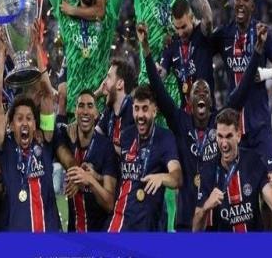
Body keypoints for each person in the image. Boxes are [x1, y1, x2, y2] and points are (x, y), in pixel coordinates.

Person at [140, 21, 269, 231]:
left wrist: (258, 51)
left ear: (210, 101)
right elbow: (158, 88)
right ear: (190, 102)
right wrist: (145, 48)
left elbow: (244, 87)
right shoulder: (180, 121)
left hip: (214, 219)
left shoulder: (220, 121)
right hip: (186, 218)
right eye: (196, 92)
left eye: (205, 92)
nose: (201, 94)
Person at [0, 27, 76, 231]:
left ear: (35, 123)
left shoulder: (45, 139)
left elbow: (47, 94)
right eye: (19, 119)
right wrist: (2, 55)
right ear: (11, 125)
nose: (25, 123)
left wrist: (38, 47)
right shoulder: (6, 146)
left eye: (29, 118)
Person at [211, 0, 272, 171]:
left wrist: (266, 73)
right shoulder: (224, 34)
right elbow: (202, 47)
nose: (240, 3)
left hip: (259, 124)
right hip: (234, 127)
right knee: (239, 182)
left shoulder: (262, 32)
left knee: (268, 179)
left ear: (252, 6)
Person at [193, 108, 272, 232]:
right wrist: (206, 207)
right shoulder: (208, 170)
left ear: (238, 136)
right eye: (220, 136)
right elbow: (195, 229)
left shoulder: (253, 161)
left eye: (229, 136)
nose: (224, 144)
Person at [107, 85, 182, 232]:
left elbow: (177, 177)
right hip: (121, 220)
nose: (140, 115)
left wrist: (162, 177)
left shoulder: (165, 138)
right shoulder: (126, 136)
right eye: (136, 108)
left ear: (154, 110)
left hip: (148, 225)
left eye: (145, 109)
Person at [58, 90, 118, 232]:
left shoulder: (106, 147)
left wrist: (90, 180)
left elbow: (110, 204)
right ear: (75, 111)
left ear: (96, 113)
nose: (85, 111)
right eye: (81, 106)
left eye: (90, 106)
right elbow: (51, 132)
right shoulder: (67, 139)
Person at [161, 0, 214, 113]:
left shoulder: (201, 34)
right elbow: (161, 75)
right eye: (177, 28)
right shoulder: (172, 44)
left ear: (192, 18)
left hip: (208, 114)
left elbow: (208, 19)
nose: (180, 33)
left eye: (184, 27)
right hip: (185, 117)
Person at [94, 57, 136, 154]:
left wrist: (104, 143)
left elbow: (128, 154)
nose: (104, 83)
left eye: (108, 77)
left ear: (120, 84)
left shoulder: (133, 111)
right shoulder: (110, 109)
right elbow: (94, 136)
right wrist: (97, 93)